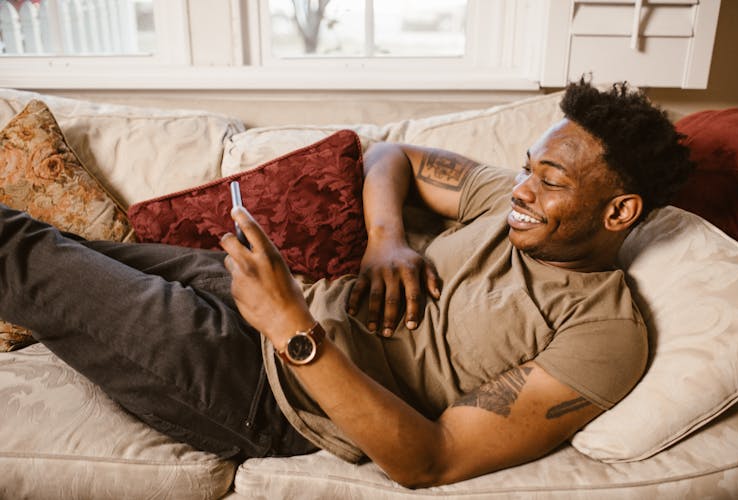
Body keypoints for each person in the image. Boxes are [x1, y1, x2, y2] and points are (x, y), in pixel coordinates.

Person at [0, 80, 693, 488]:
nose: (521, 189)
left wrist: (290, 330)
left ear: (620, 212)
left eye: (550, 181)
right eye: (526, 168)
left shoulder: (604, 334)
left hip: (267, 391)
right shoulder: (507, 206)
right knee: (52, 248)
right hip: (275, 300)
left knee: (22, 257)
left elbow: (433, 458)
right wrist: (386, 242)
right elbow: (391, 155)